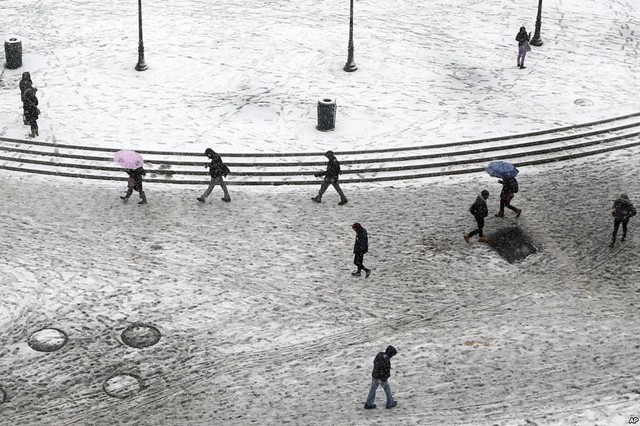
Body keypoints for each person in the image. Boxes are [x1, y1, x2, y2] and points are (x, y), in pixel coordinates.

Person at [364, 345, 398, 410]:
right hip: (382, 378)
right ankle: (390, 403)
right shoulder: (387, 361)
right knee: (387, 390)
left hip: (374, 375)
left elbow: (375, 362)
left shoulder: (380, 354)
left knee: (372, 389)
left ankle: (368, 403)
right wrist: (385, 378)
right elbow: (387, 373)